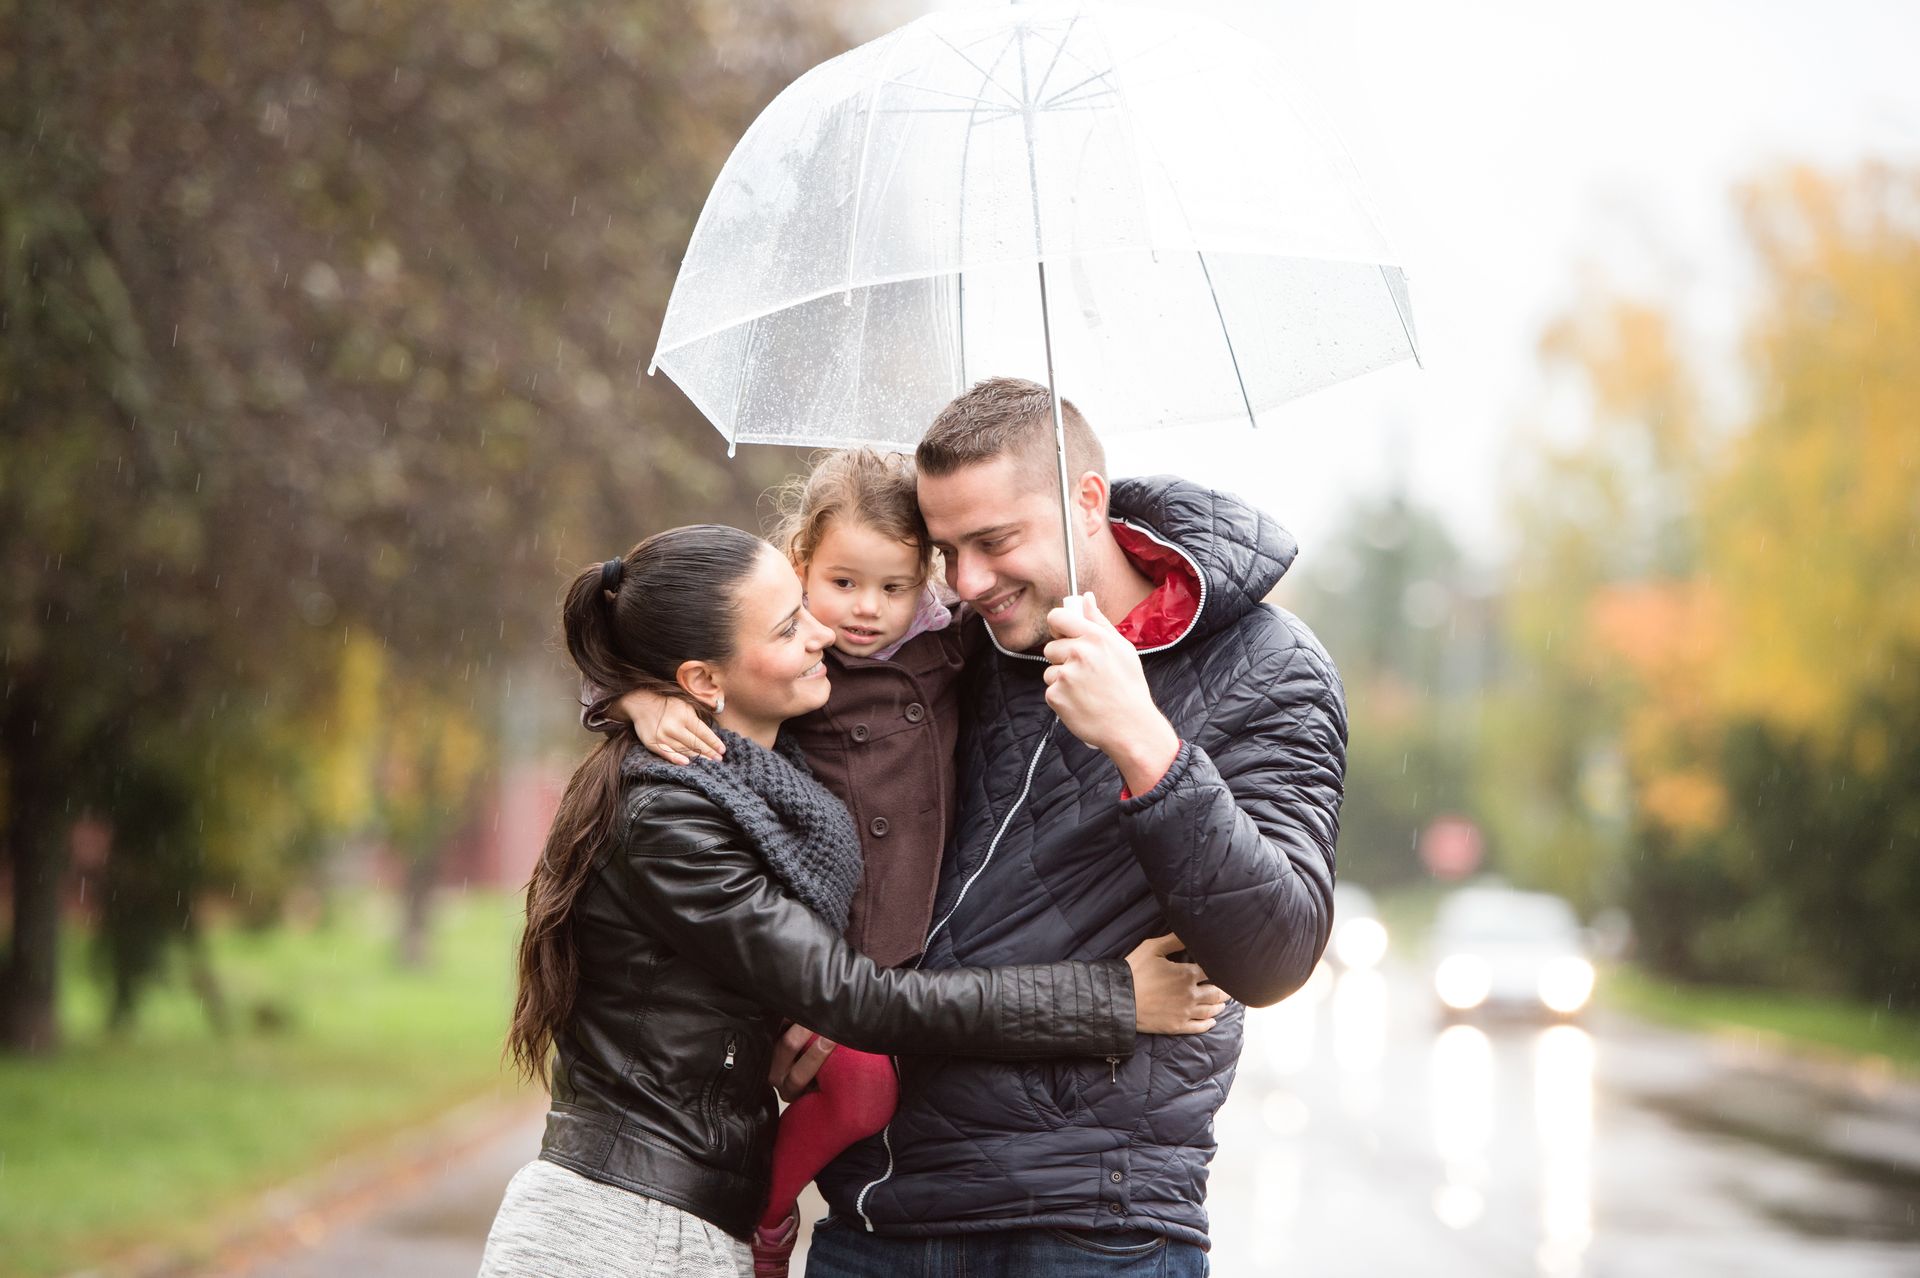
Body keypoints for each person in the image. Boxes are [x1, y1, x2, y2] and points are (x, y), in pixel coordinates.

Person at [477, 523, 1227, 1278]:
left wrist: (626, 694)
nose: (821, 631)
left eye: (804, 605)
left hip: (677, 1221)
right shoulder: (671, 819)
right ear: (705, 681)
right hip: (621, 1234)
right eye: (787, 627)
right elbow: (858, 999)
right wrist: (1111, 999)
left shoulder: (766, 774)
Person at [807, 378, 1348, 1277]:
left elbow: (1276, 952)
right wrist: (627, 690)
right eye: (947, 551)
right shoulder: (943, 644)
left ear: (1085, 498)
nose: (969, 582)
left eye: (995, 542)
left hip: (1097, 1224)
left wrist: (1147, 746)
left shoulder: (1269, 667)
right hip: (878, 1216)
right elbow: (740, 660)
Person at [614, 450, 982, 1274]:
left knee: (886, 1102)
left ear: (926, 576)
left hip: (903, 933)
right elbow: (647, 637)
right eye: (842, 583)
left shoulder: (949, 648)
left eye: (894, 588)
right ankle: (768, 1219)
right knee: (863, 1094)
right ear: (800, 565)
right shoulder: (790, 662)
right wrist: (632, 696)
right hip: (815, 935)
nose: (864, 612)